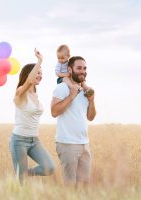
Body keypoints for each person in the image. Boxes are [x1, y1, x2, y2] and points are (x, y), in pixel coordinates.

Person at [9, 48, 55, 183]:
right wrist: (40, 60)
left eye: (41, 73)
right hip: (19, 140)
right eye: (37, 72)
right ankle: (20, 177)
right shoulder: (20, 93)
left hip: (34, 140)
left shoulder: (35, 95)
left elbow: (31, 82)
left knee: (49, 167)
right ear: (29, 75)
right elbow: (28, 82)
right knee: (21, 184)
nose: (40, 75)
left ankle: (23, 174)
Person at [51, 56, 97, 187]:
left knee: (83, 185)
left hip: (84, 144)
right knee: (70, 186)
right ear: (70, 70)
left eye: (84, 68)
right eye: (79, 68)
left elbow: (91, 117)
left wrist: (92, 100)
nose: (83, 71)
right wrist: (71, 95)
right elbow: (54, 112)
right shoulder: (62, 88)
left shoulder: (86, 91)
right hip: (67, 143)